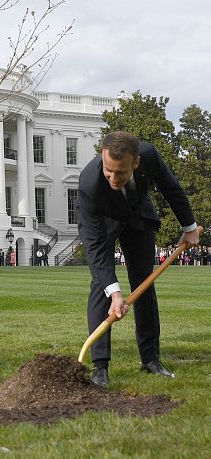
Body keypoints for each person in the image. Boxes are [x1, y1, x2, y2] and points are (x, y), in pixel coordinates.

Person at [77, 131, 199, 388]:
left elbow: (171, 189)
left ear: (136, 163)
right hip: (104, 222)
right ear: (102, 157)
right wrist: (114, 293)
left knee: (144, 284)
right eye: (109, 171)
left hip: (138, 216)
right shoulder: (89, 184)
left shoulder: (150, 156)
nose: (113, 177)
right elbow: (95, 246)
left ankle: (150, 359)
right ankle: (100, 367)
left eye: (120, 172)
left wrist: (189, 227)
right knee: (102, 285)